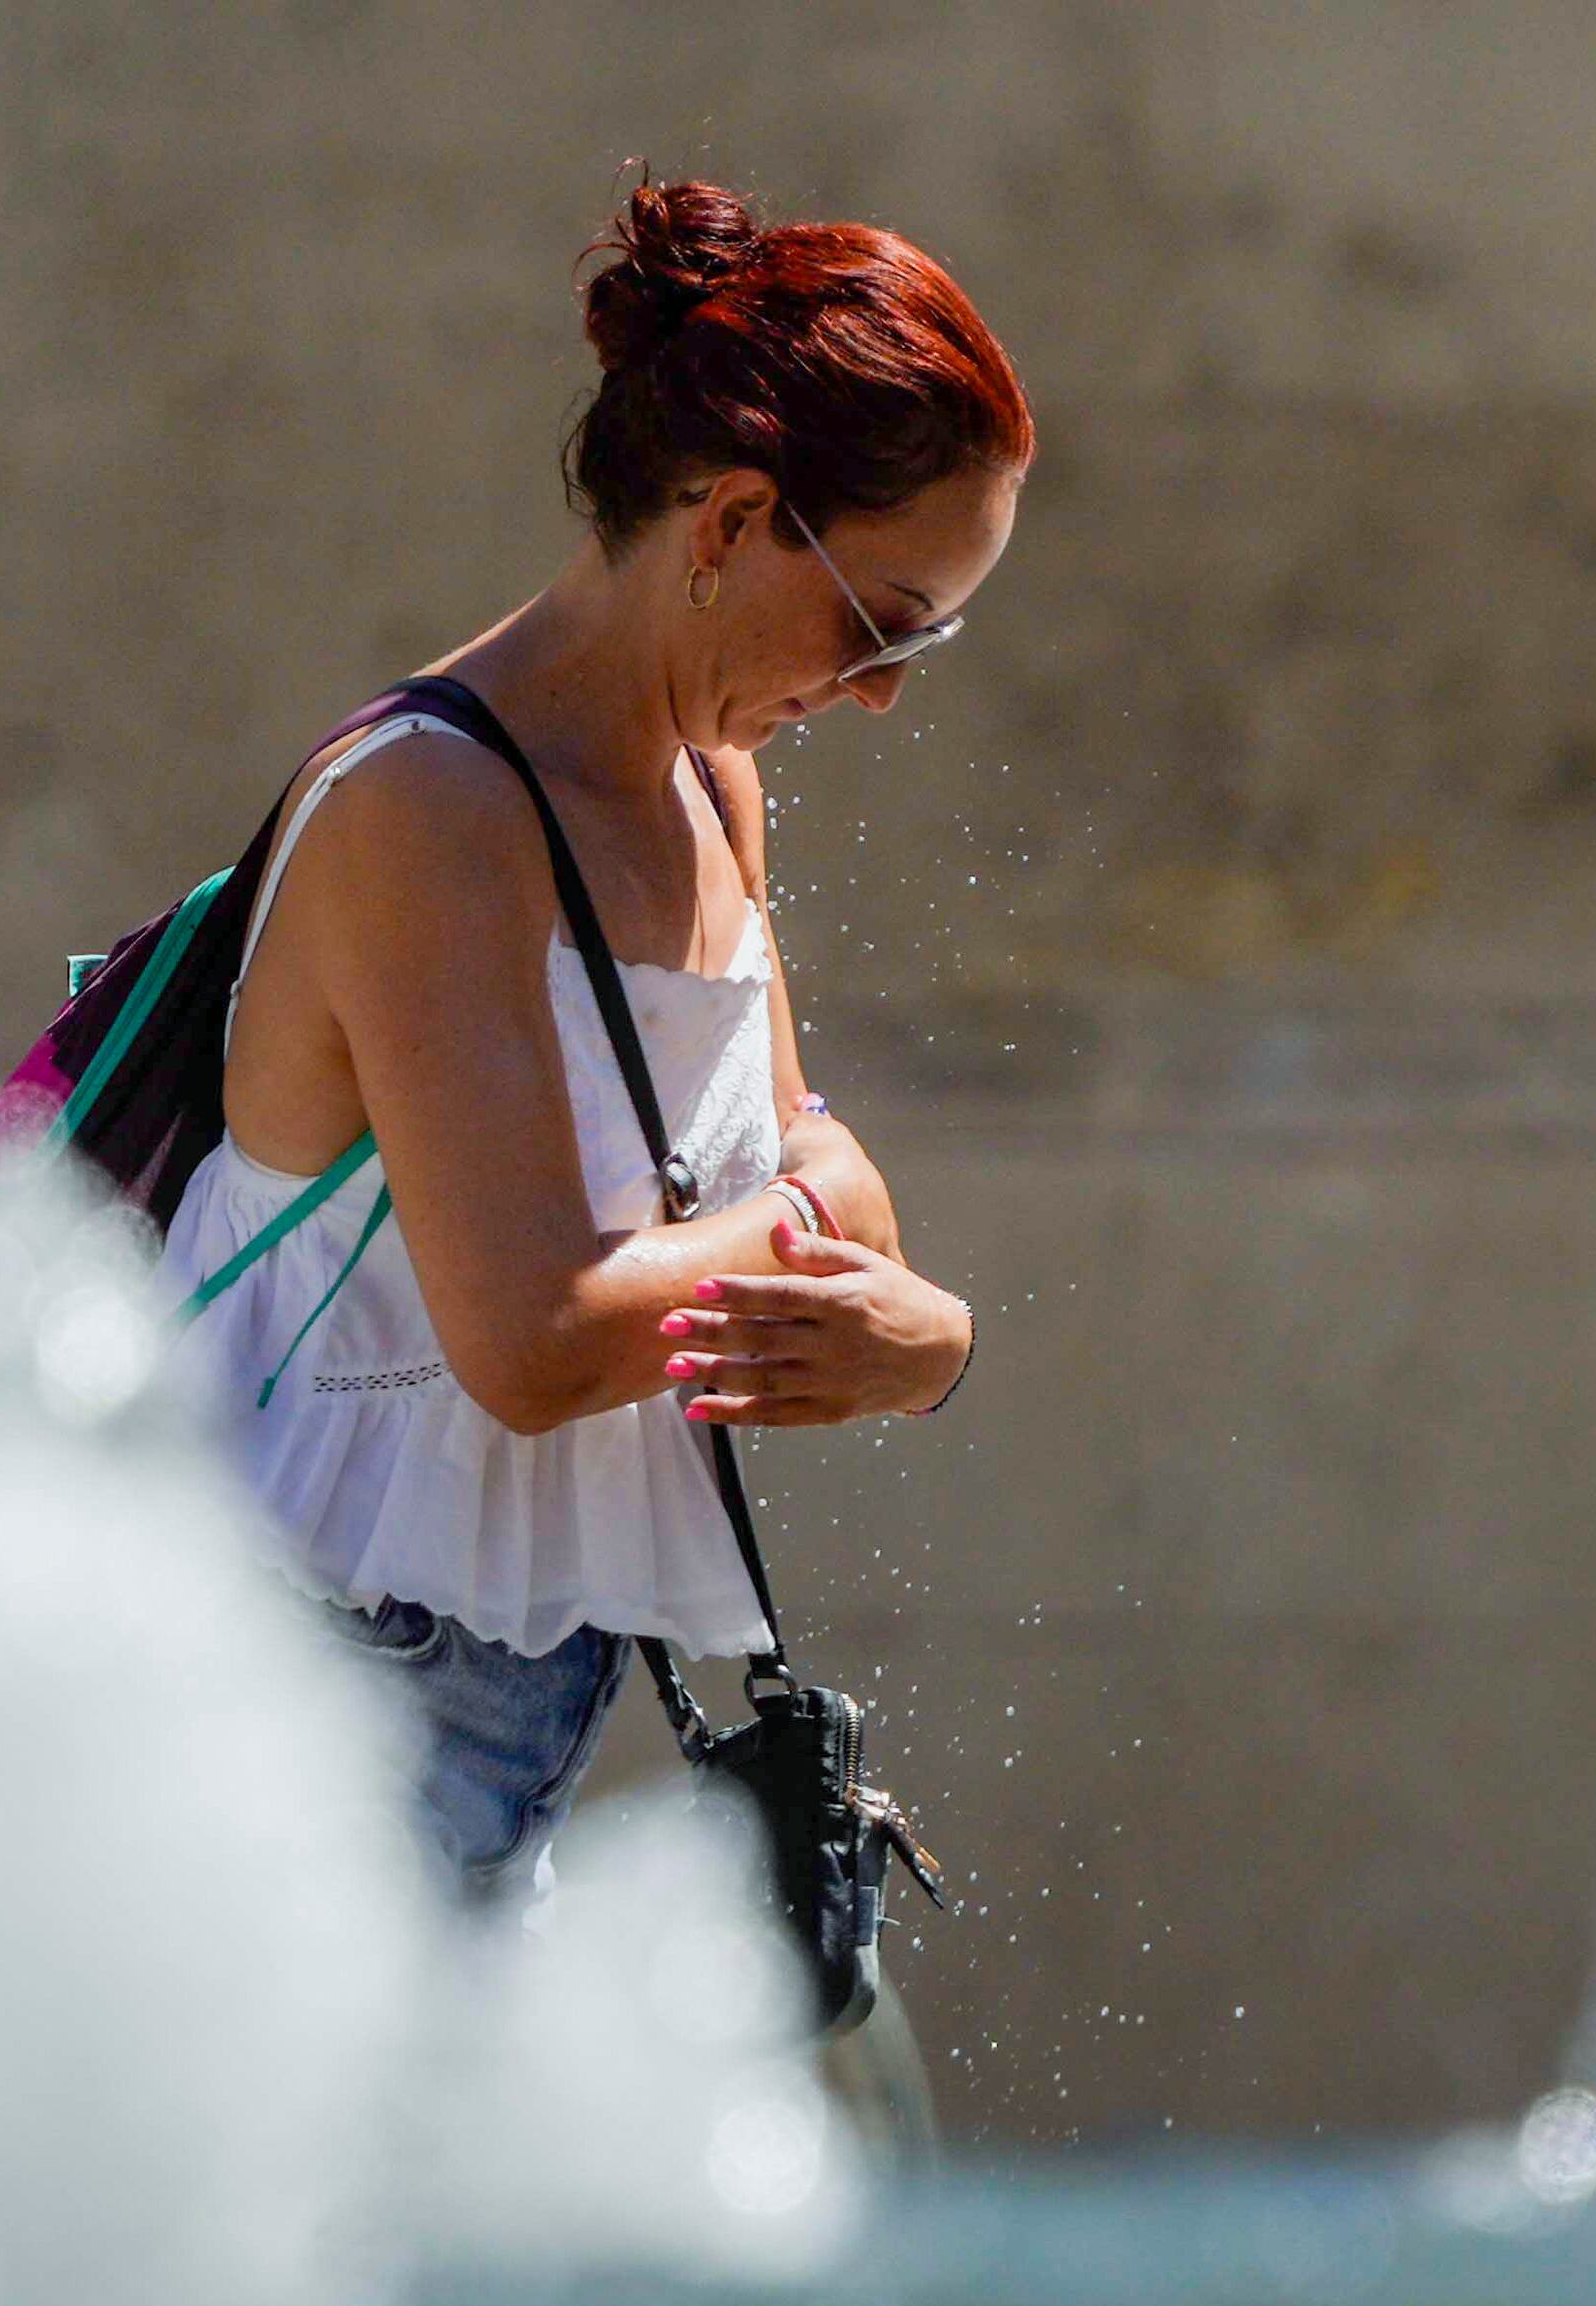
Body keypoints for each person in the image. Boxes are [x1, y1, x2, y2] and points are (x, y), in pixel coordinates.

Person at [163, 175, 1024, 1898]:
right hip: (286, 1675)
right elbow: (540, 1334)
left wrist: (922, 1324)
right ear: (728, 523)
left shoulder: (714, 783)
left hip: (497, 1666)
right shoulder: (429, 811)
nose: (885, 694)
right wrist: (872, 1298)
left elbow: (810, 1160)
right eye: (882, 623)